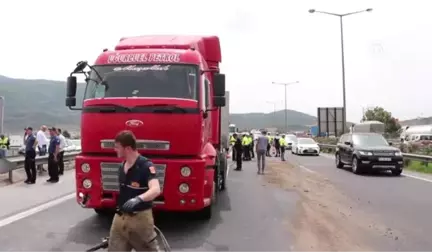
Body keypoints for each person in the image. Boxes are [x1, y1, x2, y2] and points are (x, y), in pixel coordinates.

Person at [108, 130, 161, 252]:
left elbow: (156, 189)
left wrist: (138, 199)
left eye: (117, 147)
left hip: (140, 219)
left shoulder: (145, 166)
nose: (115, 150)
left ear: (127, 148)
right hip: (120, 219)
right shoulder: (122, 167)